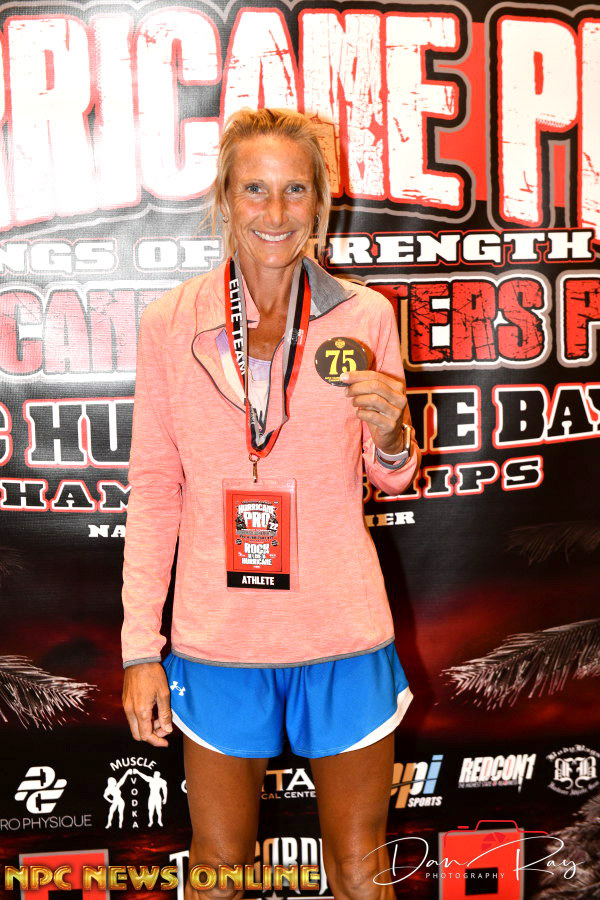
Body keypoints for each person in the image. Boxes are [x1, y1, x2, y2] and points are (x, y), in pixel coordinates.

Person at [121, 107, 421, 900]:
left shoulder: (364, 316)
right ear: (225, 197)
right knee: (218, 869)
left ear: (321, 201)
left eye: (295, 190)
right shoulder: (170, 323)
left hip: (340, 629)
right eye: (255, 189)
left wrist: (393, 434)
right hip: (219, 638)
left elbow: (391, 475)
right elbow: (154, 490)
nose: (276, 212)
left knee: (360, 871)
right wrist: (140, 650)